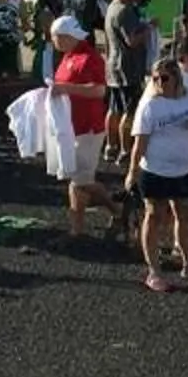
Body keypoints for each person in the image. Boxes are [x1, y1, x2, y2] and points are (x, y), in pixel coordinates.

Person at [128, 36, 188, 291]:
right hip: (155, 171)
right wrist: (132, 172)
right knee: (153, 216)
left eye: (164, 78)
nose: (158, 83)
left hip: (184, 170)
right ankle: (154, 271)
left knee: (185, 216)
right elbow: (140, 143)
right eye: (155, 78)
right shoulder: (150, 107)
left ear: (176, 79)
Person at [48, 13, 117, 243]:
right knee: (76, 178)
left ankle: (116, 210)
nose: (53, 42)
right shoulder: (70, 55)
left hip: (88, 127)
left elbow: (98, 90)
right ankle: (79, 228)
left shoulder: (90, 58)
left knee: (80, 180)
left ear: (67, 37)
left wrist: (65, 89)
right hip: (72, 126)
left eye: (55, 37)